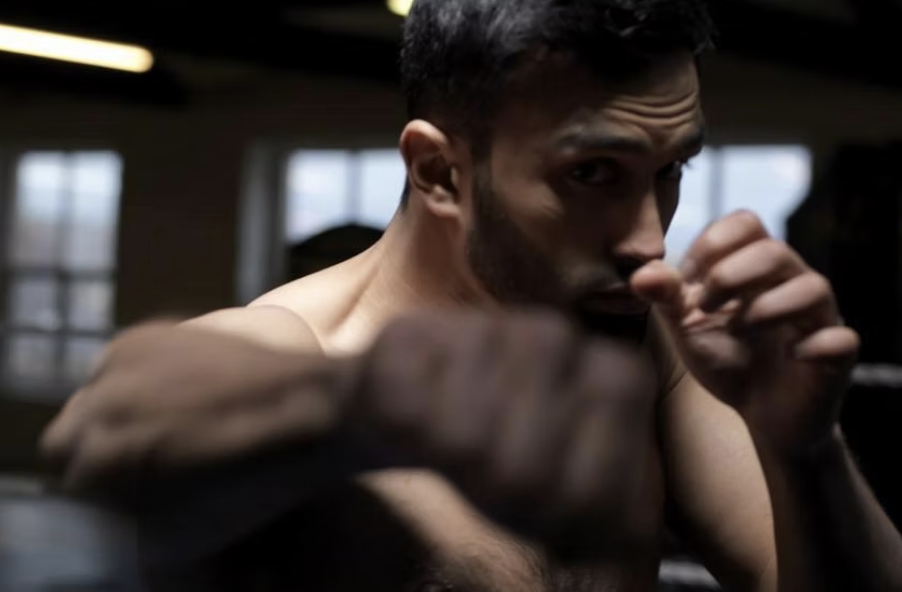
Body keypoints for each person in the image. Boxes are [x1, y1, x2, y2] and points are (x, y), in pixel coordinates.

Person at [40, 0, 902, 590]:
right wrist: (368, 404)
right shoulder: (307, 349)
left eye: (669, 172)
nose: (649, 239)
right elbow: (115, 426)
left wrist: (806, 447)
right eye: (593, 173)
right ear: (439, 171)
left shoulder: (640, 350)